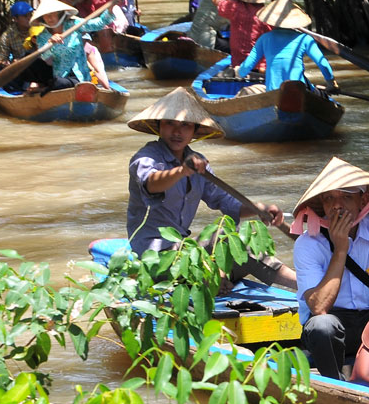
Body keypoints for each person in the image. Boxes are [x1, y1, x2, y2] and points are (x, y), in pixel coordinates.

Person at [125, 88, 295, 290]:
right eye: (170, 123)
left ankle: (305, 285)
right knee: (221, 234)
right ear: (159, 126)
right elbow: (152, 183)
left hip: (182, 254)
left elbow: (228, 203)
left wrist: (261, 209)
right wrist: (181, 171)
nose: (177, 132)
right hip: (153, 258)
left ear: (194, 131)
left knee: (242, 242)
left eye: (185, 126)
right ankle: (214, 279)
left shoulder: (198, 164)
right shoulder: (146, 157)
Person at [292, 157, 369, 379]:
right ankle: (336, 387)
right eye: (329, 198)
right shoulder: (308, 243)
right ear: (323, 205)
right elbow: (318, 307)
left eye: (346, 197)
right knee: (321, 325)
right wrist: (340, 250)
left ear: (362, 200)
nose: (337, 205)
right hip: (333, 327)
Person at [233, 0, 334, 90]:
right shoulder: (305, 39)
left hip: (273, 91)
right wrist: (331, 84)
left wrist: (239, 72)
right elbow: (323, 64)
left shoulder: (264, 38)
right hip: (298, 91)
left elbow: (247, 66)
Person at [31, 0, 119, 93]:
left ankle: (46, 88)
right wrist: (50, 43)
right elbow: (44, 56)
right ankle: (45, 88)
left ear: (59, 14)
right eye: (46, 15)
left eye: (52, 14)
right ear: (42, 18)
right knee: (58, 83)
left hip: (81, 76)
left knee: (61, 83)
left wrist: (110, 8)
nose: (49, 18)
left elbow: (98, 23)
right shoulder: (42, 36)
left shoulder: (73, 24)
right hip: (61, 77)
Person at [211, 0, 281, 68]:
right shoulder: (267, 14)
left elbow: (216, 0)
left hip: (238, 62)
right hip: (261, 65)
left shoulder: (235, 7)